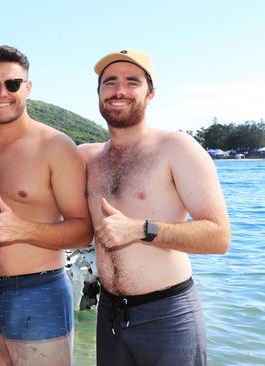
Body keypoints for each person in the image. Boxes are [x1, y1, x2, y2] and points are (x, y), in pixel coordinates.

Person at [78, 48, 231, 366]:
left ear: (150, 95)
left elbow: (219, 236)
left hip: (167, 314)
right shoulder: (88, 158)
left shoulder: (176, 147)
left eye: (132, 81)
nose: (119, 90)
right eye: (110, 82)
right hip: (110, 315)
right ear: (99, 94)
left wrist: (140, 229)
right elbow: (38, 154)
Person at [0, 45, 93, 366]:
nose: (2, 93)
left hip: (40, 289)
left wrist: (23, 229)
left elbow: (84, 230)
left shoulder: (55, 146)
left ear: (27, 88)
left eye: (12, 84)